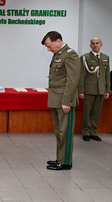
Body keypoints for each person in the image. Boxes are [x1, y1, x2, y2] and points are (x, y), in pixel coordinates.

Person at [41, 31, 80, 171]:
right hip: (56, 99)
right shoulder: (58, 55)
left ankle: (65, 162)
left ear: (58, 41)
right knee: (59, 131)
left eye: (50, 46)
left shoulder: (70, 55)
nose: (48, 49)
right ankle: (60, 158)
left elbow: (73, 80)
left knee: (66, 131)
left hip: (64, 100)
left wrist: (67, 101)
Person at [78, 37, 110, 141]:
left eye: (97, 43)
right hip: (89, 89)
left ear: (101, 44)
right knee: (87, 112)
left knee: (96, 112)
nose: (95, 45)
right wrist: (81, 90)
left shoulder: (105, 57)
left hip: (101, 89)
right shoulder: (85, 57)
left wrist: (107, 90)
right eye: (93, 43)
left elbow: (107, 76)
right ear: (90, 45)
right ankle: (86, 132)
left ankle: (93, 132)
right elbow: (81, 75)